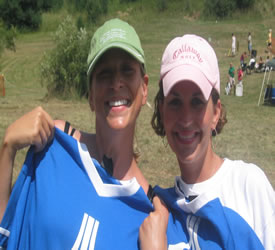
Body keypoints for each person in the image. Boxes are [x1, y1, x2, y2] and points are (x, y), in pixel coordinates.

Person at [0, 18, 154, 249]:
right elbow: (7, 233)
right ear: (90, 95)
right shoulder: (53, 144)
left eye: (127, 70)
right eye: (104, 74)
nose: (116, 83)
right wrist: (7, 149)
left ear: (144, 88)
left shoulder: (150, 212)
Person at [139, 34, 275, 249]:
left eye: (196, 102)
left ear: (216, 113)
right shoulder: (160, 213)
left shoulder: (248, 187)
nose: (185, 118)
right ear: (162, 111)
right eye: (175, 102)